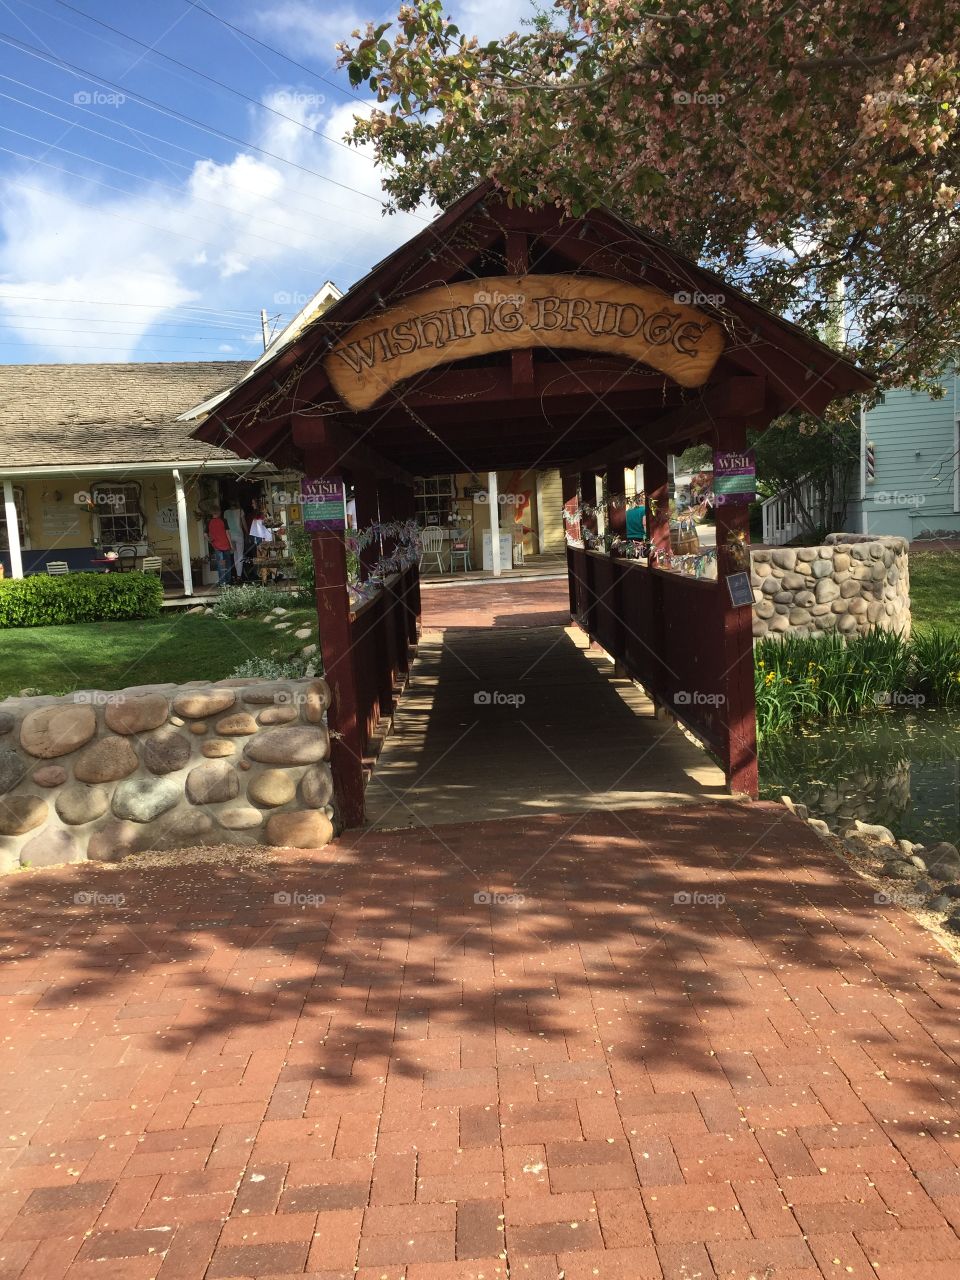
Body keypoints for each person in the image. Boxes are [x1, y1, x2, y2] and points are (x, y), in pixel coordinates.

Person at [206, 507, 232, 587]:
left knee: (220, 564)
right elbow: (227, 533)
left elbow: (205, 534)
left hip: (217, 546)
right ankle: (228, 581)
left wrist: (211, 541)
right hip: (226, 545)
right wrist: (231, 544)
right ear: (219, 512)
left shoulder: (208, 522)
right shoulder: (224, 520)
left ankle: (222, 583)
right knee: (227, 563)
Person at [223, 500, 247, 580]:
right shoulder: (240, 511)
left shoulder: (226, 512)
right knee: (240, 555)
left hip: (230, 536)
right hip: (239, 535)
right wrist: (247, 533)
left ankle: (237, 574)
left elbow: (225, 525)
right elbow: (243, 523)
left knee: (234, 555)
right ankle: (239, 576)